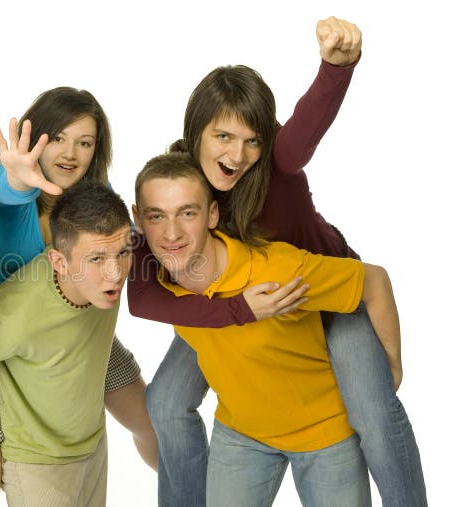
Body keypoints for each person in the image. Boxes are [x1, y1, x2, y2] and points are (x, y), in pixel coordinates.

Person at [127, 17, 426, 506]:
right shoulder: (179, 186)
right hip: (245, 302)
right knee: (163, 399)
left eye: (251, 139)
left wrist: (336, 67)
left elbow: (306, 127)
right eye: (222, 136)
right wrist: (238, 311)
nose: (237, 154)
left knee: (373, 409)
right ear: (195, 133)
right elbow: (143, 295)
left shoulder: (276, 161)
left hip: (323, 295)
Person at [132, 151, 406, 505]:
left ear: (213, 214)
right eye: (157, 216)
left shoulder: (278, 270)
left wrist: (392, 364)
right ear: (139, 220)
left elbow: (375, 282)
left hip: (323, 435)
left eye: (188, 213)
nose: (171, 233)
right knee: (163, 402)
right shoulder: (157, 278)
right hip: (241, 435)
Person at [0, 87, 156, 506]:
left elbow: (118, 244)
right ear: (34, 139)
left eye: (85, 142)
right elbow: (11, 185)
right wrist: (18, 174)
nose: (70, 153)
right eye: (57, 138)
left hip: (63, 332)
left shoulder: (92, 194)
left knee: (152, 419)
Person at [0, 181, 132, 506]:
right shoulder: (16, 314)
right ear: (60, 262)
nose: (115, 272)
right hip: (37, 465)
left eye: (123, 252)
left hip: (91, 446)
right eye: (96, 258)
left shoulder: (105, 280)